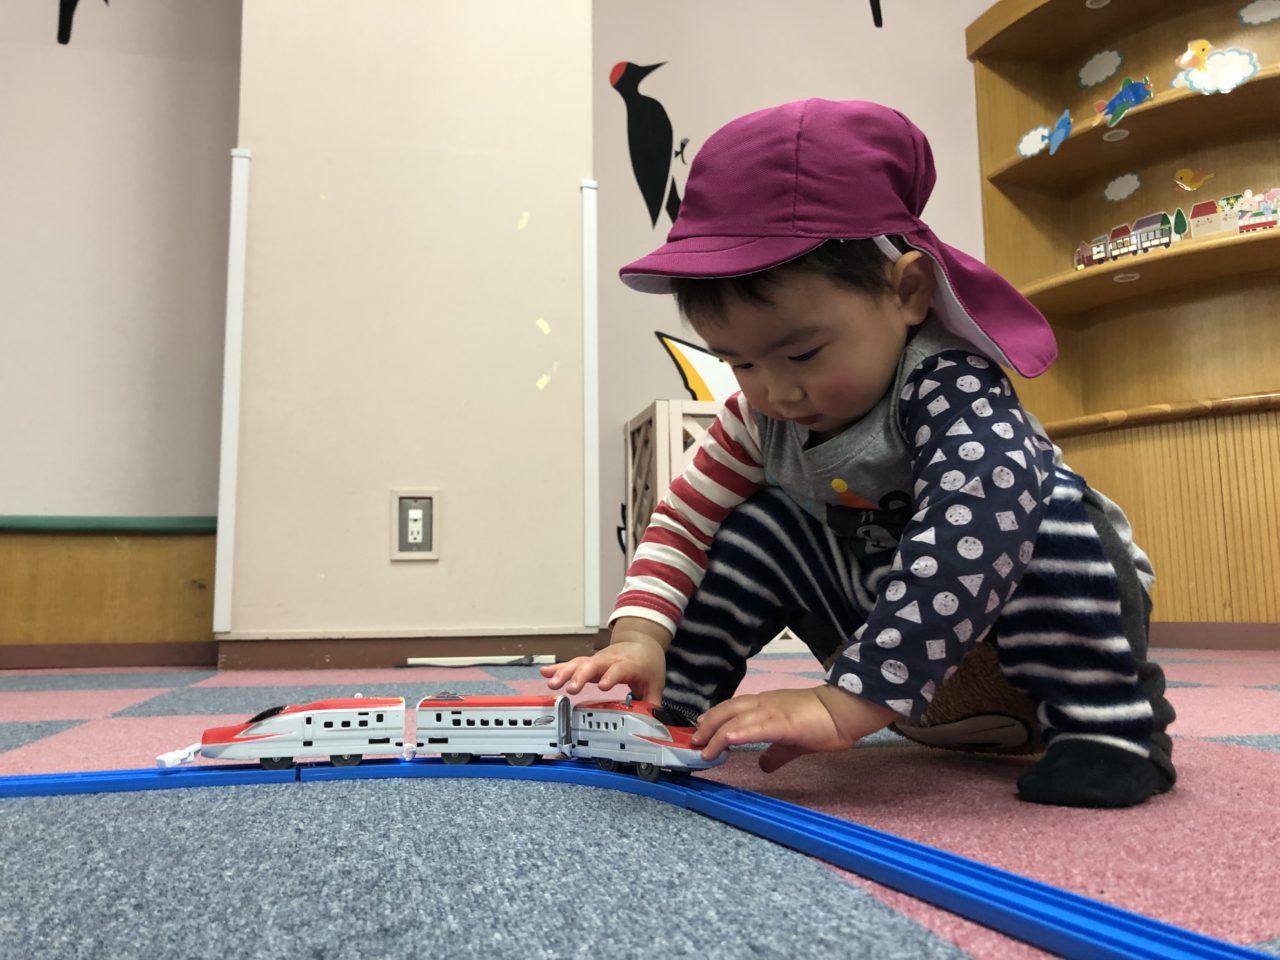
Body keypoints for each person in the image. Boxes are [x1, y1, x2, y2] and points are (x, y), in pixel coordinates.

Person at [541, 98, 1175, 808]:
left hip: (1022, 661)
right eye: (740, 363)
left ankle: (1112, 730)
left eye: (803, 353)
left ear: (908, 291)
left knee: (1036, 503)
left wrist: (848, 703)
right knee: (753, 523)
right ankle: (677, 699)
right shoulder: (759, 421)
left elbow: (975, 533)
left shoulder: (951, 388)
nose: (776, 391)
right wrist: (639, 637)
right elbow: (684, 523)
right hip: (895, 666)